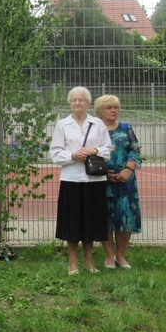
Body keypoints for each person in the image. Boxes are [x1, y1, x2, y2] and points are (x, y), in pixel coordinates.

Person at [50, 86, 112, 275]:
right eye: (74, 100)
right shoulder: (62, 125)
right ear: (70, 103)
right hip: (72, 180)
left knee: (91, 221)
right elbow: (55, 153)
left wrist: (94, 151)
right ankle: (72, 261)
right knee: (72, 222)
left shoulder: (98, 124)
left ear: (88, 103)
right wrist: (73, 156)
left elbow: (108, 149)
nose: (78, 103)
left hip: (94, 181)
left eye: (81, 100)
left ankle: (89, 261)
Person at [95, 94, 142, 269]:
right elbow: (92, 154)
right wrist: (105, 173)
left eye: (116, 107)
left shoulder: (126, 128)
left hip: (126, 181)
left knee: (126, 218)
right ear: (100, 111)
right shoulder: (95, 130)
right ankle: (108, 256)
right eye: (109, 107)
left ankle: (120, 255)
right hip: (102, 180)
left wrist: (128, 170)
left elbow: (135, 150)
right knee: (105, 218)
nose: (113, 110)